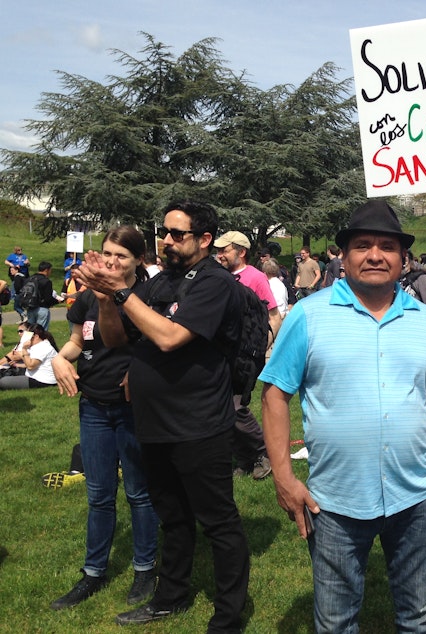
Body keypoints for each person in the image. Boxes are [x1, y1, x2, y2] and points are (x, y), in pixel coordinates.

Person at [260, 199, 426, 633]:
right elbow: (275, 396)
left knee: (424, 616)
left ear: (403, 258)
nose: (375, 255)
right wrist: (283, 476)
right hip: (334, 501)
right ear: (345, 256)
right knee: (335, 621)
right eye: (363, 245)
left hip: (417, 496)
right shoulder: (309, 315)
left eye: (387, 246)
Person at [75, 200, 250, 631]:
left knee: (218, 522)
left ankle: (228, 615)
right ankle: (169, 597)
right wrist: (106, 299)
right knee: (172, 517)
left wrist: (120, 291)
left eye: (177, 234)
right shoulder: (158, 283)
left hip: (199, 424)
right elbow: (118, 341)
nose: (166, 241)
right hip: (153, 423)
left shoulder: (215, 283)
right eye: (164, 233)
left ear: (205, 240)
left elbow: (170, 337)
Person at [49, 226, 159, 611]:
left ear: (138, 261)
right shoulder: (86, 298)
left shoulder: (147, 296)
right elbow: (79, 341)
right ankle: (93, 572)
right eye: (108, 253)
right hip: (94, 406)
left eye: (122, 256)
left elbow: (131, 342)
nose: (112, 261)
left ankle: (145, 568)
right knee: (98, 496)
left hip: (132, 407)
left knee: (138, 493)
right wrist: (59, 358)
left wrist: (109, 299)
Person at [214, 230, 281, 480]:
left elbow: (273, 316)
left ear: (241, 252)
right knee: (222, 407)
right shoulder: (217, 276)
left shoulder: (255, 277)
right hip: (220, 353)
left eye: (225, 250)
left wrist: (262, 348)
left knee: (236, 407)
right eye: (218, 250)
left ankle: (263, 452)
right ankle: (245, 459)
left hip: (244, 355)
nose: (219, 254)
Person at [0, 323, 58, 390]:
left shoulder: (43, 347)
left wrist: (24, 350)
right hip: (33, 375)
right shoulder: (37, 345)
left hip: (42, 380)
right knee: (6, 372)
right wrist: (17, 365)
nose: (27, 339)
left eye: (29, 337)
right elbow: (33, 364)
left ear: (36, 336)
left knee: (3, 382)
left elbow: (31, 366)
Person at [25, 261, 60, 330]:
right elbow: (48, 298)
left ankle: (28, 341)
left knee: (30, 330)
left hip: (30, 307)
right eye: (50, 270)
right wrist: (57, 301)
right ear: (46, 270)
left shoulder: (29, 279)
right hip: (42, 308)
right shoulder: (46, 281)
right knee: (41, 331)